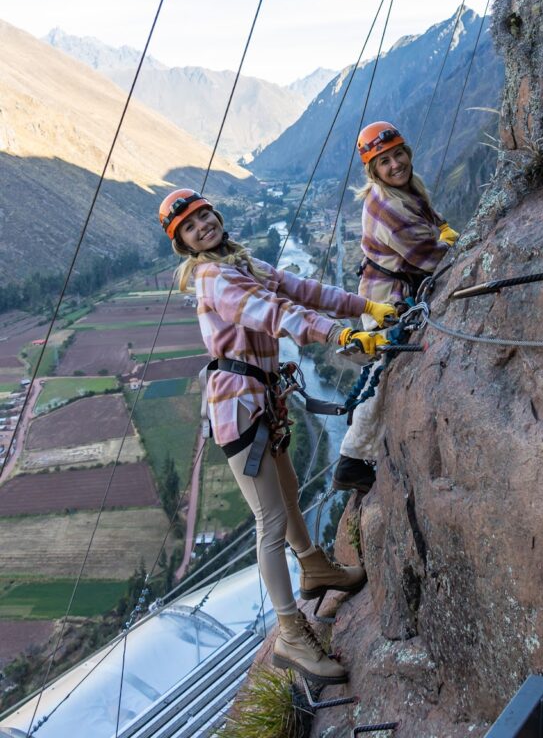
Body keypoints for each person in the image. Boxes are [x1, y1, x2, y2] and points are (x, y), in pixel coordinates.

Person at [158, 189, 396, 686]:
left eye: (205, 215)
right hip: (241, 409)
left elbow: (301, 289)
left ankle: (315, 569)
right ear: (184, 243)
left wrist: (366, 307)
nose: (202, 225)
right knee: (269, 521)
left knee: (288, 495)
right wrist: (340, 335)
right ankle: (290, 631)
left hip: (260, 401)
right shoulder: (214, 276)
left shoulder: (240, 262)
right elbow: (274, 313)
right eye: (190, 226)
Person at [332, 122, 459, 494]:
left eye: (398, 155)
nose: (396, 164)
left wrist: (444, 231)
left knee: (382, 368)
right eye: (384, 161)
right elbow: (430, 257)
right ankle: (351, 459)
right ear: (374, 171)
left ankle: (356, 455)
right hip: (389, 300)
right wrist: (454, 244)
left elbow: (433, 226)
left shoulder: (403, 191)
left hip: (393, 291)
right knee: (383, 371)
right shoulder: (388, 207)